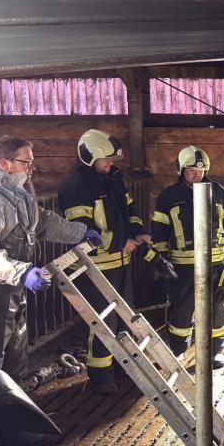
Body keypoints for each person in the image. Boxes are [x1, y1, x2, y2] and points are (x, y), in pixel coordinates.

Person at [0, 135, 97, 376]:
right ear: (5, 163)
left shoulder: (15, 195)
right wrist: (21, 271)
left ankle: (12, 408)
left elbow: (43, 222)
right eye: (26, 162)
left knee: (14, 360)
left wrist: (81, 232)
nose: (31, 168)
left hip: (7, 292)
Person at [58, 129, 152, 394]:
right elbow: (81, 229)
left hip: (120, 262)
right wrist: (120, 242)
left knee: (123, 318)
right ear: (89, 157)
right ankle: (100, 378)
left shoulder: (113, 180)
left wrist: (136, 232)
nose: (111, 164)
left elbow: (130, 212)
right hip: (95, 265)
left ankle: (121, 366)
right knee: (103, 321)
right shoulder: (76, 186)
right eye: (106, 160)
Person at [151, 146, 224, 365]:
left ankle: (216, 352)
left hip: (216, 263)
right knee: (182, 311)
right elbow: (159, 229)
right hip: (183, 266)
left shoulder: (218, 191)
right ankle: (179, 351)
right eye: (192, 169)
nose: (197, 174)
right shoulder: (168, 197)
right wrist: (161, 258)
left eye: (201, 170)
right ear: (181, 169)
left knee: (218, 309)